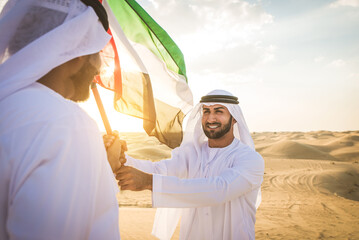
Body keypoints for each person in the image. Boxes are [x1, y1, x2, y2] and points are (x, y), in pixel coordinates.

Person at [0, 0, 123, 239]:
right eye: (97, 52)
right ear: (76, 50)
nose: (99, 68)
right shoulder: (67, 123)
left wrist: (101, 162)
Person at [105, 89, 265, 240]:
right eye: (206, 112)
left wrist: (148, 182)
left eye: (219, 111)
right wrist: (118, 159)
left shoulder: (250, 159)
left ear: (234, 117)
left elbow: (220, 189)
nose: (211, 118)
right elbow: (159, 170)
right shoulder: (191, 154)